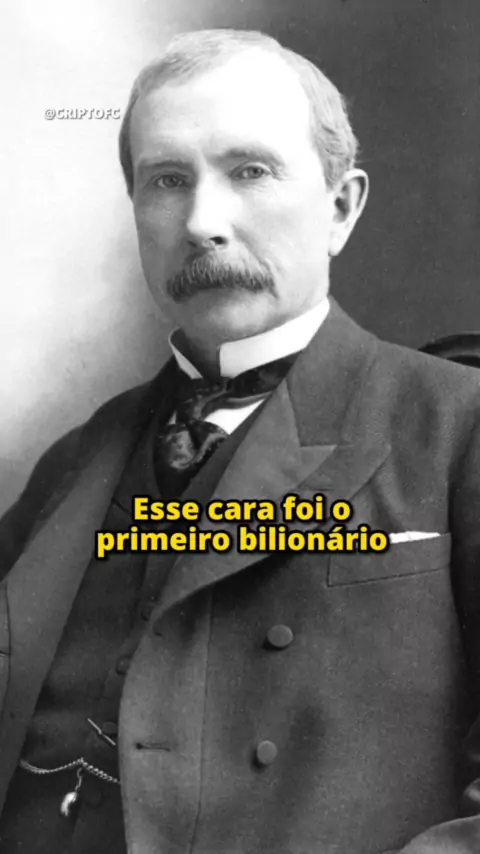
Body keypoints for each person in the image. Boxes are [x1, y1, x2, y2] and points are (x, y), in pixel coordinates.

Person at [1, 27, 480, 854]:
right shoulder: (75, 458)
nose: (202, 222)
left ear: (340, 208)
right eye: (167, 180)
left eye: (250, 171)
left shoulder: (457, 426)